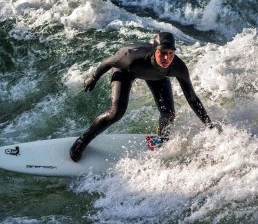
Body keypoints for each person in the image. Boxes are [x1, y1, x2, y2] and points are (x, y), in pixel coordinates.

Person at [70, 32, 215, 162]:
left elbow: (192, 98)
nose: (166, 58)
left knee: (168, 113)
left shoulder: (178, 67)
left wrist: (209, 125)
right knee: (116, 112)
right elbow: (108, 62)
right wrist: (94, 77)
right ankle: (82, 141)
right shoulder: (130, 57)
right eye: (162, 53)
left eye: (171, 53)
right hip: (126, 71)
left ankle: (161, 140)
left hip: (157, 76)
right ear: (154, 51)